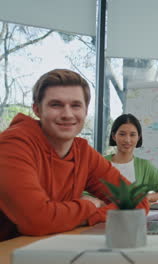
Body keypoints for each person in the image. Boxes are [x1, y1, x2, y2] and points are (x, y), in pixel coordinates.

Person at [0, 69, 149, 242]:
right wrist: (88, 206)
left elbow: (137, 202)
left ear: (85, 111)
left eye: (76, 105)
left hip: (46, 248)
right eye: (56, 105)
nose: (67, 114)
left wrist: (91, 214)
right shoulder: (13, 145)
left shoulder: (83, 152)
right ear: (37, 110)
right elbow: (37, 220)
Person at [105, 113, 158, 202]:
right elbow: (85, 194)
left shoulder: (145, 166)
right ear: (114, 136)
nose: (127, 140)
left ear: (138, 137)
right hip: (105, 214)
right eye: (122, 134)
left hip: (136, 215)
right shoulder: (101, 162)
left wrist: (148, 197)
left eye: (132, 135)